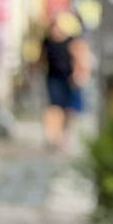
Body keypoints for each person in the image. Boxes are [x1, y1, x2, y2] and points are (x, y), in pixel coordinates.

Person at [41, 10, 91, 150]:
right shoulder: (48, 41)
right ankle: (53, 137)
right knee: (54, 108)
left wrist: (80, 74)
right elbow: (43, 59)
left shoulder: (72, 41)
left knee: (68, 110)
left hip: (69, 79)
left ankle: (64, 137)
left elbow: (80, 58)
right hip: (53, 77)